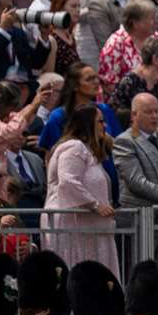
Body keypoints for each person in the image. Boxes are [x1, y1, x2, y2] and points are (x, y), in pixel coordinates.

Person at [43, 103, 119, 271]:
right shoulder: (74, 147)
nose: (104, 126)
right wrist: (96, 205)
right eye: (100, 121)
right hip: (73, 230)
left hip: (89, 231)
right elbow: (68, 181)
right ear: (87, 124)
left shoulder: (87, 150)